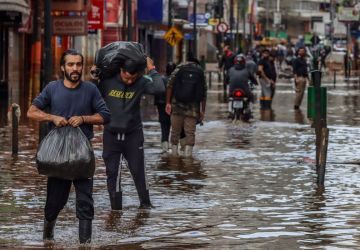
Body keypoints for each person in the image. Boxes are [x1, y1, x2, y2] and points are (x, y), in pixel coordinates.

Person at [27, 49, 111, 244]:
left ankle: (85, 244)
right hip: (58, 157)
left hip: (82, 155)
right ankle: (48, 239)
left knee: (85, 202)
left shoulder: (90, 89)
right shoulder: (52, 88)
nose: (75, 68)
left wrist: (83, 118)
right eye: (71, 65)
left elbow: (105, 116)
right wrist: (52, 117)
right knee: (54, 203)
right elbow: (32, 112)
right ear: (63, 67)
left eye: (78, 65)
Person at [95, 56, 165, 211]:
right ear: (121, 70)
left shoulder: (141, 81)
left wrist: (152, 69)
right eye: (126, 76)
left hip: (133, 135)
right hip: (111, 135)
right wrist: (96, 73)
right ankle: (116, 211)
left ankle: (145, 206)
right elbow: (91, 93)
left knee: (138, 170)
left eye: (133, 77)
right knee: (113, 173)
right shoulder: (107, 81)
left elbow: (159, 88)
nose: (129, 80)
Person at [165, 57, 207, 157]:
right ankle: (188, 160)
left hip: (177, 105)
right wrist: (202, 110)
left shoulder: (179, 68)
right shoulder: (200, 71)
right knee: (190, 133)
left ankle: (174, 157)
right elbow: (204, 93)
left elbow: (169, 85)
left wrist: (168, 103)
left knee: (175, 131)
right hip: (193, 107)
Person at [154, 62, 177, 152]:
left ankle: (164, 149)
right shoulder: (177, 81)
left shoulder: (161, 79)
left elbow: (157, 94)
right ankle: (176, 151)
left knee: (164, 129)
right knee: (177, 130)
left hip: (162, 107)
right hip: (175, 108)